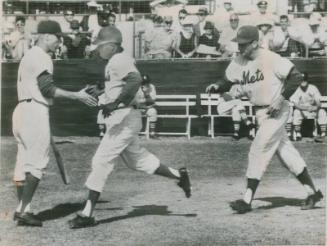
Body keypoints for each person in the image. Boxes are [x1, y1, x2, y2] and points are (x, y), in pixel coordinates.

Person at [68, 26, 192, 229]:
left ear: (111, 46)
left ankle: (87, 213)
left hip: (124, 118)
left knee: (101, 160)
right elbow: (121, 83)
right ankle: (180, 175)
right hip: (125, 118)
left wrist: (115, 103)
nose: (98, 50)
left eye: (100, 46)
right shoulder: (115, 61)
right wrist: (102, 89)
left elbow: (134, 80)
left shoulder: (119, 59)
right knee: (138, 161)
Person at [206, 25, 323, 214]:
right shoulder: (239, 60)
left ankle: (247, 199)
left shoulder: (271, 58)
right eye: (239, 44)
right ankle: (313, 192)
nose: (240, 47)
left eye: (244, 44)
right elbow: (227, 80)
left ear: (254, 43)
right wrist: (217, 86)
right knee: (286, 154)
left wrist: (281, 99)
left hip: (277, 110)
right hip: (260, 112)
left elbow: (295, 77)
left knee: (257, 149)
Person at [12, 20, 97, 227]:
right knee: (37, 163)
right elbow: (47, 89)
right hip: (35, 111)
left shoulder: (28, 55)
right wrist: (77, 96)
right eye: (58, 37)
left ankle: (21, 209)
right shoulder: (42, 56)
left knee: (23, 163)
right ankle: (24, 210)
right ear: (47, 36)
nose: (60, 42)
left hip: (21, 110)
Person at [290, 72, 327, 141]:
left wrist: (315, 107)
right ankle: (298, 134)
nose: (303, 82)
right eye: (301, 79)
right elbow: (296, 105)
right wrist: (306, 108)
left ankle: (323, 134)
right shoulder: (296, 89)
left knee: (322, 112)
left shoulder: (313, 88)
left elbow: (319, 102)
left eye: (304, 80)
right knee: (296, 112)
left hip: (313, 110)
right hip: (302, 111)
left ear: (307, 80)